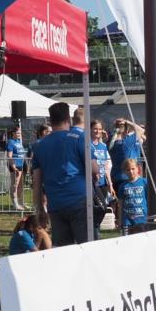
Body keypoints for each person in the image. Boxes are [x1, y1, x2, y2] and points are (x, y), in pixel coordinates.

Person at [32, 102, 96, 247]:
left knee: (62, 250)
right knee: (88, 247)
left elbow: (36, 182)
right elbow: (94, 169)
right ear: (69, 119)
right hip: (80, 201)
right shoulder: (79, 138)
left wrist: (39, 208)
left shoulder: (39, 145)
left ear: (50, 120)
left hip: (56, 204)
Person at [119, 158, 149, 234]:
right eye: (128, 170)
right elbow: (121, 204)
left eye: (133, 169)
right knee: (127, 240)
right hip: (127, 221)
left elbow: (149, 200)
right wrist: (120, 221)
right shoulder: (123, 186)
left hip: (142, 219)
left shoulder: (144, 182)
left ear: (138, 169)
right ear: (124, 171)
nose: (131, 171)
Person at [6, 127, 26, 210]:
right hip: (14, 165)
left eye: (20, 133)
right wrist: (13, 166)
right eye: (17, 133)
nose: (19, 134)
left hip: (21, 165)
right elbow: (9, 156)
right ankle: (15, 204)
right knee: (15, 184)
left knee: (20, 184)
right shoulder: (11, 142)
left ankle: (21, 202)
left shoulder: (18, 142)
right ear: (13, 133)